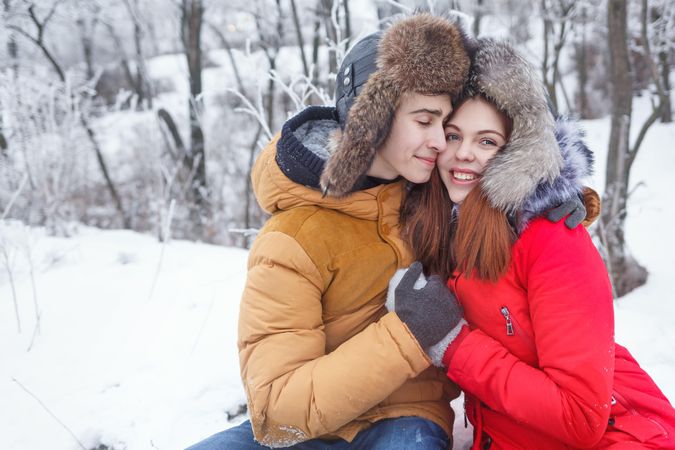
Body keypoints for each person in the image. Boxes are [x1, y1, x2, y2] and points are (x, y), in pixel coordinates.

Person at [186, 13, 473, 450]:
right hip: (307, 430)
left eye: (444, 123)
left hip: (404, 418)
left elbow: (507, 202)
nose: (440, 140)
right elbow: (276, 406)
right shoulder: (294, 236)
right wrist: (408, 334)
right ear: (372, 120)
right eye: (424, 120)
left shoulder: (437, 197)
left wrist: (545, 200)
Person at [392, 39, 675, 449]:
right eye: (453, 136)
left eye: (487, 141)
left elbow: (579, 418)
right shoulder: (447, 225)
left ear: (518, 154)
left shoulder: (552, 238)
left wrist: (454, 343)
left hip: (620, 435)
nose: (463, 154)